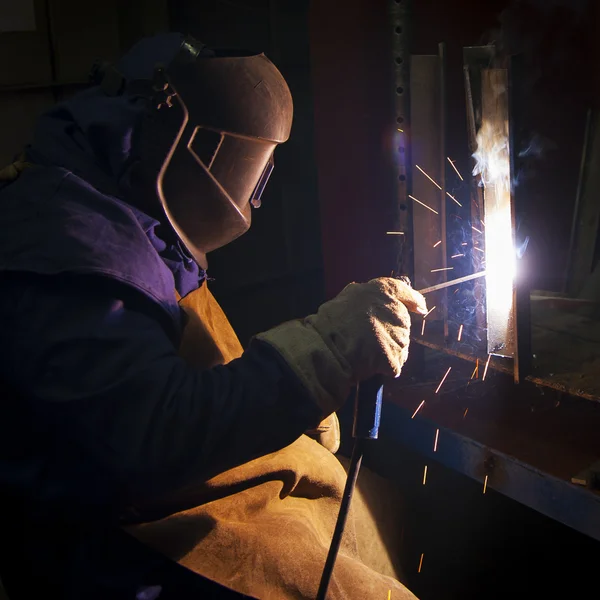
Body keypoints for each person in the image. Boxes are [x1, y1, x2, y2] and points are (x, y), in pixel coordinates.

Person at [0, 33, 427, 599]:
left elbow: (159, 359)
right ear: (196, 146)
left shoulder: (110, 198)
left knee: (375, 517)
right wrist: (320, 357)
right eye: (260, 168)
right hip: (103, 551)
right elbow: (152, 438)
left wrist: (286, 398)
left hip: (130, 492)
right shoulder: (71, 252)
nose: (256, 195)